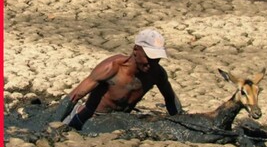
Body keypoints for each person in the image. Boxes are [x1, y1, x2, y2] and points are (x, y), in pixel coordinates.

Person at [55, 28, 184, 130]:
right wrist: (53, 124)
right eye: (149, 58)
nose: (153, 63)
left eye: (157, 58)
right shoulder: (113, 67)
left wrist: (180, 119)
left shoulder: (157, 73)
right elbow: (75, 95)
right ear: (135, 50)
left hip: (119, 121)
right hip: (89, 118)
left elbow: (170, 97)